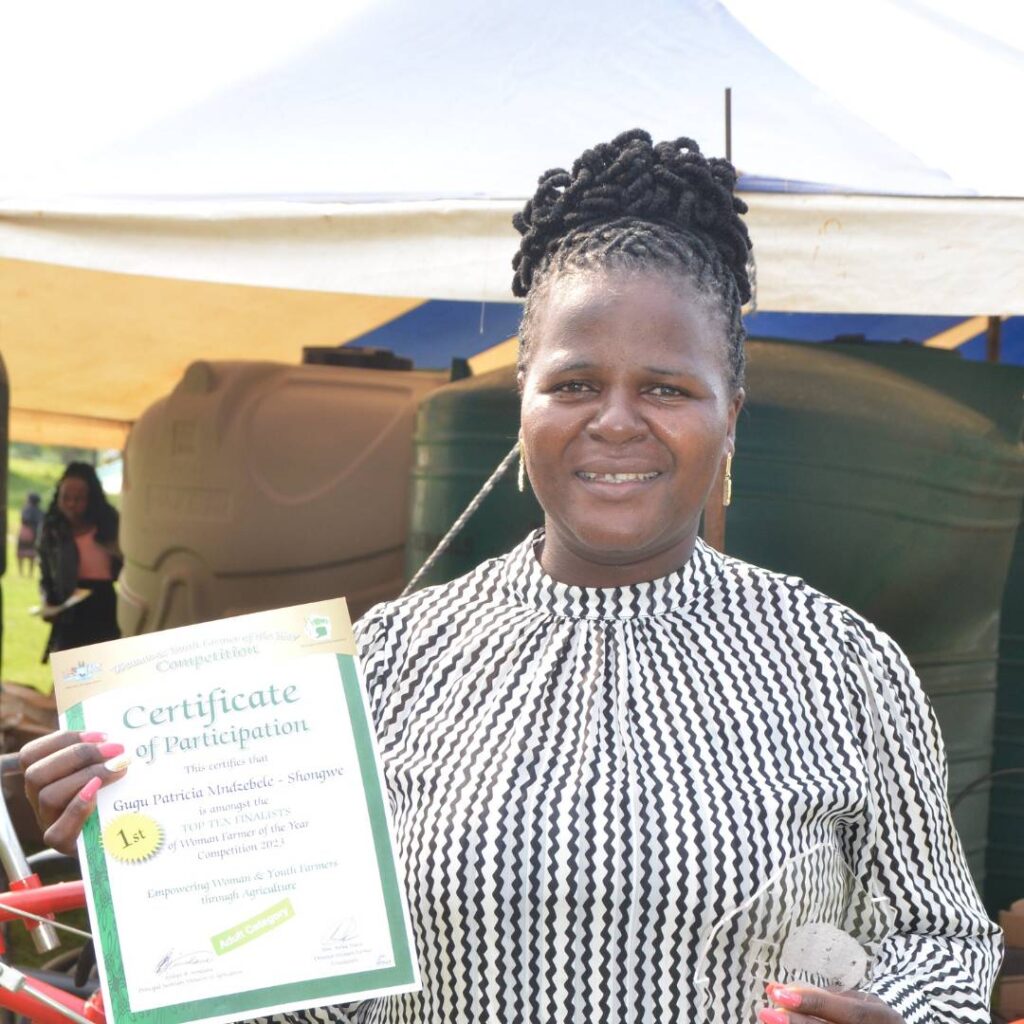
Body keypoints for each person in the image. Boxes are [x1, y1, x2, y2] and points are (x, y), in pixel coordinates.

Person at [19, 131, 999, 1023]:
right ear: (520, 402)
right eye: (574, 383)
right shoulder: (387, 662)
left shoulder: (842, 665)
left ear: (730, 411)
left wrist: (899, 1017)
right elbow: (299, 997)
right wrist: (156, 860)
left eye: (666, 386)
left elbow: (942, 943)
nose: (616, 421)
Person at [37, 461, 122, 658]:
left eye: (79, 498)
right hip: (68, 609)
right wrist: (47, 604)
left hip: (103, 605)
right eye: (65, 497)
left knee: (106, 669)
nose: (71, 504)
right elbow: (45, 576)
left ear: (91, 499)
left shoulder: (109, 524)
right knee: (69, 674)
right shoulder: (52, 529)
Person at [16, 491, 43, 576]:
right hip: (34, 533)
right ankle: (30, 573)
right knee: (31, 554)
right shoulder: (39, 511)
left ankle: (21, 572)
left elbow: (24, 519)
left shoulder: (25, 509)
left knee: (22, 553)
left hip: (25, 533)